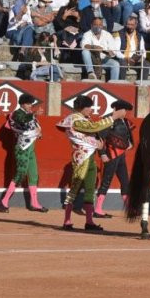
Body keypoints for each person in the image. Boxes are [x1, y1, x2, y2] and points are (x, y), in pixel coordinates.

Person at [57, 95, 126, 231]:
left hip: (90, 157)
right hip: (81, 157)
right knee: (75, 188)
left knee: (90, 189)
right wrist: (113, 117)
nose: (91, 110)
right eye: (88, 107)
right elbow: (94, 128)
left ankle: (89, 221)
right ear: (81, 108)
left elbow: (94, 132)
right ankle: (67, 221)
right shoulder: (75, 119)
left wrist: (99, 146)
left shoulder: (83, 119)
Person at [0, 93, 48, 213]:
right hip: (22, 148)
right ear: (22, 104)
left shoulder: (30, 115)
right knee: (20, 174)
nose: (30, 106)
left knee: (33, 175)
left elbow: (34, 127)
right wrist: (34, 114)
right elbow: (22, 120)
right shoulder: (16, 114)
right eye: (28, 104)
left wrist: (39, 133)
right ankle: (3, 202)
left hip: (31, 148)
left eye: (31, 104)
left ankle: (34, 203)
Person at [94, 99, 136, 218]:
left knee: (125, 182)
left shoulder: (125, 121)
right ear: (116, 109)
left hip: (121, 155)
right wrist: (102, 153)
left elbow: (129, 135)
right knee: (106, 181)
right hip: (111, 155)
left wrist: (130, 143)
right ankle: (97, 209)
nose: (125, 112)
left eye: (125, 110)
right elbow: (99, 137)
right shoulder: (108, 120)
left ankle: (129, 209)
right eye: (123, 110)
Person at [81, 16, 120, 81]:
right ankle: (90, 72)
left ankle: (114, 83)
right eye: (95, 24)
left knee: (115, 64)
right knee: (85, 51)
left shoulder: (107, 35)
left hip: (103, 60)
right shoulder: (87, 34)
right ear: (91, 25)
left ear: (102, 26)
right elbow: (83, 45)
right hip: (92, 60)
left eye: (100, 25)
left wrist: (110, 53)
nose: (98, 26)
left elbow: (113, 51)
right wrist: (94, 47)